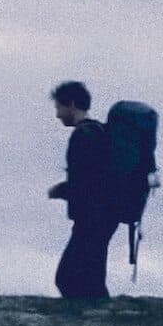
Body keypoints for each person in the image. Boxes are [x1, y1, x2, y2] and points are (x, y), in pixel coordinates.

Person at [46, 80, 121, 299]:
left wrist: (59, 190)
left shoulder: (84, 135)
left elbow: (86, 181)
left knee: (68, 277)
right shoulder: (98, 132)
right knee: (90, 278)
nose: (58, 115)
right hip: (104, 216)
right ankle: (97, 325)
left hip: (93, 217)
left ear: (71, 104)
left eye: (59, 108)